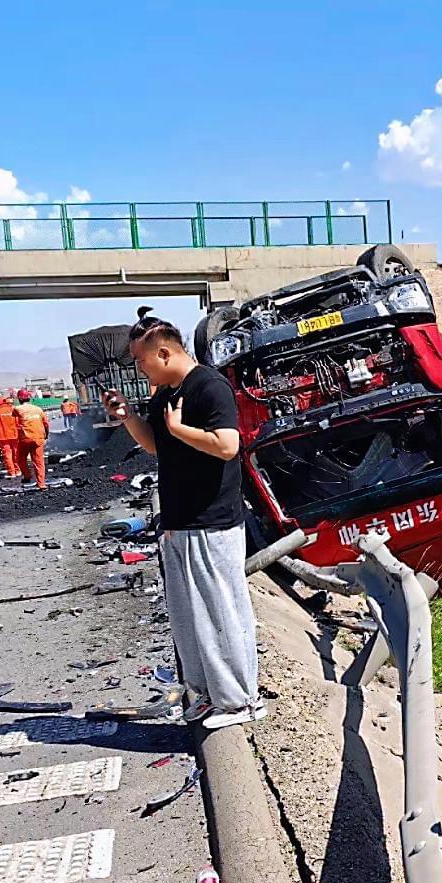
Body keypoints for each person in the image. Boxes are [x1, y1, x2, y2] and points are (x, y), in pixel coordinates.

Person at [101, 309, 261, 731]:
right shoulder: (164, 394)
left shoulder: (209, 387)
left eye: (141, 359)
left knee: (221, 610)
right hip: (179, 520)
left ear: (165, 352)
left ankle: (240, 699)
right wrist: (128, 416)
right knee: (189, 615)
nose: (139, 367)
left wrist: (181, 429)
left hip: (212, 521)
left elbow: (228, 446)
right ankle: (205, 693)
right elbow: (156, 446)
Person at [14, 389, 49, 490]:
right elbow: (46, 424)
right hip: (38, 438)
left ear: (19, 399)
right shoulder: (38, 409)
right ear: (29, 398)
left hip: (25, 439)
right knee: (39, 462)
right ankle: (41, 484)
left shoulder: (17, 409)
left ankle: (27, 475)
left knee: (20, 458)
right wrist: (46, 435)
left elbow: (15, 422)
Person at [0, 393, 21, 477]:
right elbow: (18, 422)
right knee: (16, 453)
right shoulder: (13, 409)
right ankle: (18, 470)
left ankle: (11, 472)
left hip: (3, 435)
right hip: (15, 434)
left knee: (7, 454)